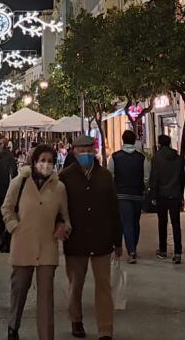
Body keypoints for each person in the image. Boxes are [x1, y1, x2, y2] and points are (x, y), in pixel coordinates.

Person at [1, 144, 70, 340]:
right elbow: (7, 208)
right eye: (42, 160)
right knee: (19, 289)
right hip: (23, 245)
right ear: (34, 161)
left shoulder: (59, 188)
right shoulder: (20, 182)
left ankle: (46, 336)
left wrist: (63, 227)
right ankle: (13, 326)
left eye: (49, 161)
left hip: (48, 247)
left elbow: (65, 216)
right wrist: (15, 227)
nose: (45, 165)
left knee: (46, 297)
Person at [59, 134, 122, 340]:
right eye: (81, 150)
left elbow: (114, 208)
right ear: (73, 152)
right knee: (76, 284)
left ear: (94, 151)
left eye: (88, 150)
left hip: (101, 238)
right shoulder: (65, 177)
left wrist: (117, 239)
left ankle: (105, 329)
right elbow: (60, 209)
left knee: (103, 284)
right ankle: (76, 320)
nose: (85, 153)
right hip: (75, 239)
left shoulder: (104, 176)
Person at [106, 129, 150, 264]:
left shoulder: (114, 157)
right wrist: (143, 188)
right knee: (135, 222)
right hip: (137, 194)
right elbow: (147, 177)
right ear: (134, 140)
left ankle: (131, 251)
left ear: (122, 140)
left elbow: (110, 175)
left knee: (126, 222)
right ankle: (133, 248)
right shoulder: (142, 158)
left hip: (121, 195)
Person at [148, 134, 185, 264]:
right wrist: (181, 194)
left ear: (159, 143)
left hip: (161, 195)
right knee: (176, 224)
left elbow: (154, 178)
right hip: (175, 194)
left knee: (162, 223)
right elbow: (182, 178)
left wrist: (152, 195)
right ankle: (178, 252)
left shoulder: (157, 158)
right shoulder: (178, 158)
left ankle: (163, 250)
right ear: (169, 143)